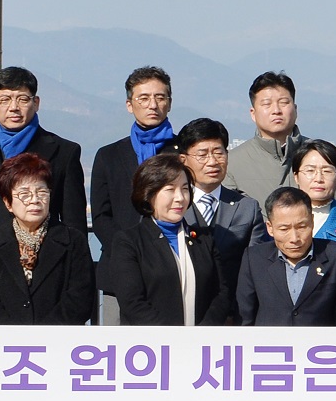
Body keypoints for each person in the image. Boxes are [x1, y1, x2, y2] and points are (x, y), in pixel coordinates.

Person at [0, 66, 87, 249]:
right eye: (4, 99)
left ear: (36, 103)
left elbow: (74, 221)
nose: (14, 108)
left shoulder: (64, 152)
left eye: (22, 99)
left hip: (44, 261)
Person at [99, 153, 227, 326]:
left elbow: (221, 293)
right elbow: (132, 302)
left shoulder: (203, 239)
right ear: (148, 193)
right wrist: (168, 338)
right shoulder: (129, 242)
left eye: (184, 188)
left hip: (200, 345)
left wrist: (202, 332)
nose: (180, 198)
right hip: (150, 346)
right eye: (170, 189)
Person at [0, 151, 96, 325]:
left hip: (59, 342)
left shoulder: (73, 241)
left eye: (42, 192)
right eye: (25, 194)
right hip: (4, 344)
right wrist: (14, 334)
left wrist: (42, 334)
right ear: (7, 202)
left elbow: (80, 298)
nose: (35, 200)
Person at [237, 186, 336, 326]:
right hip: (270, 346)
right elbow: (245, 318)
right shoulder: (255, 258)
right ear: (270, 228)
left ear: (311, 221)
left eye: (301, 227)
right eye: (284, 229)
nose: (294, 238)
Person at [89, 66, 176, 253]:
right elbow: (101, 217)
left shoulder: (183, 153)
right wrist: (125, 250)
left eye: (160, 98)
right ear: (129, 105)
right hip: (120, 258)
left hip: (175, 255)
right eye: (143, 98)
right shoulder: (109, 155)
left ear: (169, 103)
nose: (152, 105)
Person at [227, 71, 336, 202]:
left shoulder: (324, 157)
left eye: (283, 102)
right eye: (267, 104)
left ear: (295, 109)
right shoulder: (232, 163)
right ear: (253, 113)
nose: (276, 110)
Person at [175, 118, 262, 250]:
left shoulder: (247, 208)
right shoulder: (171, 205)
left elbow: (256, 260)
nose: (212, 162)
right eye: (202, 155)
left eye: (218, 153)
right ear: (183, 160)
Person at [291, 139, 336, 241]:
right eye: (310, 170)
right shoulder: (282, 216)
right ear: (296, 176)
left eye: (327, 171)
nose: (318, 179)